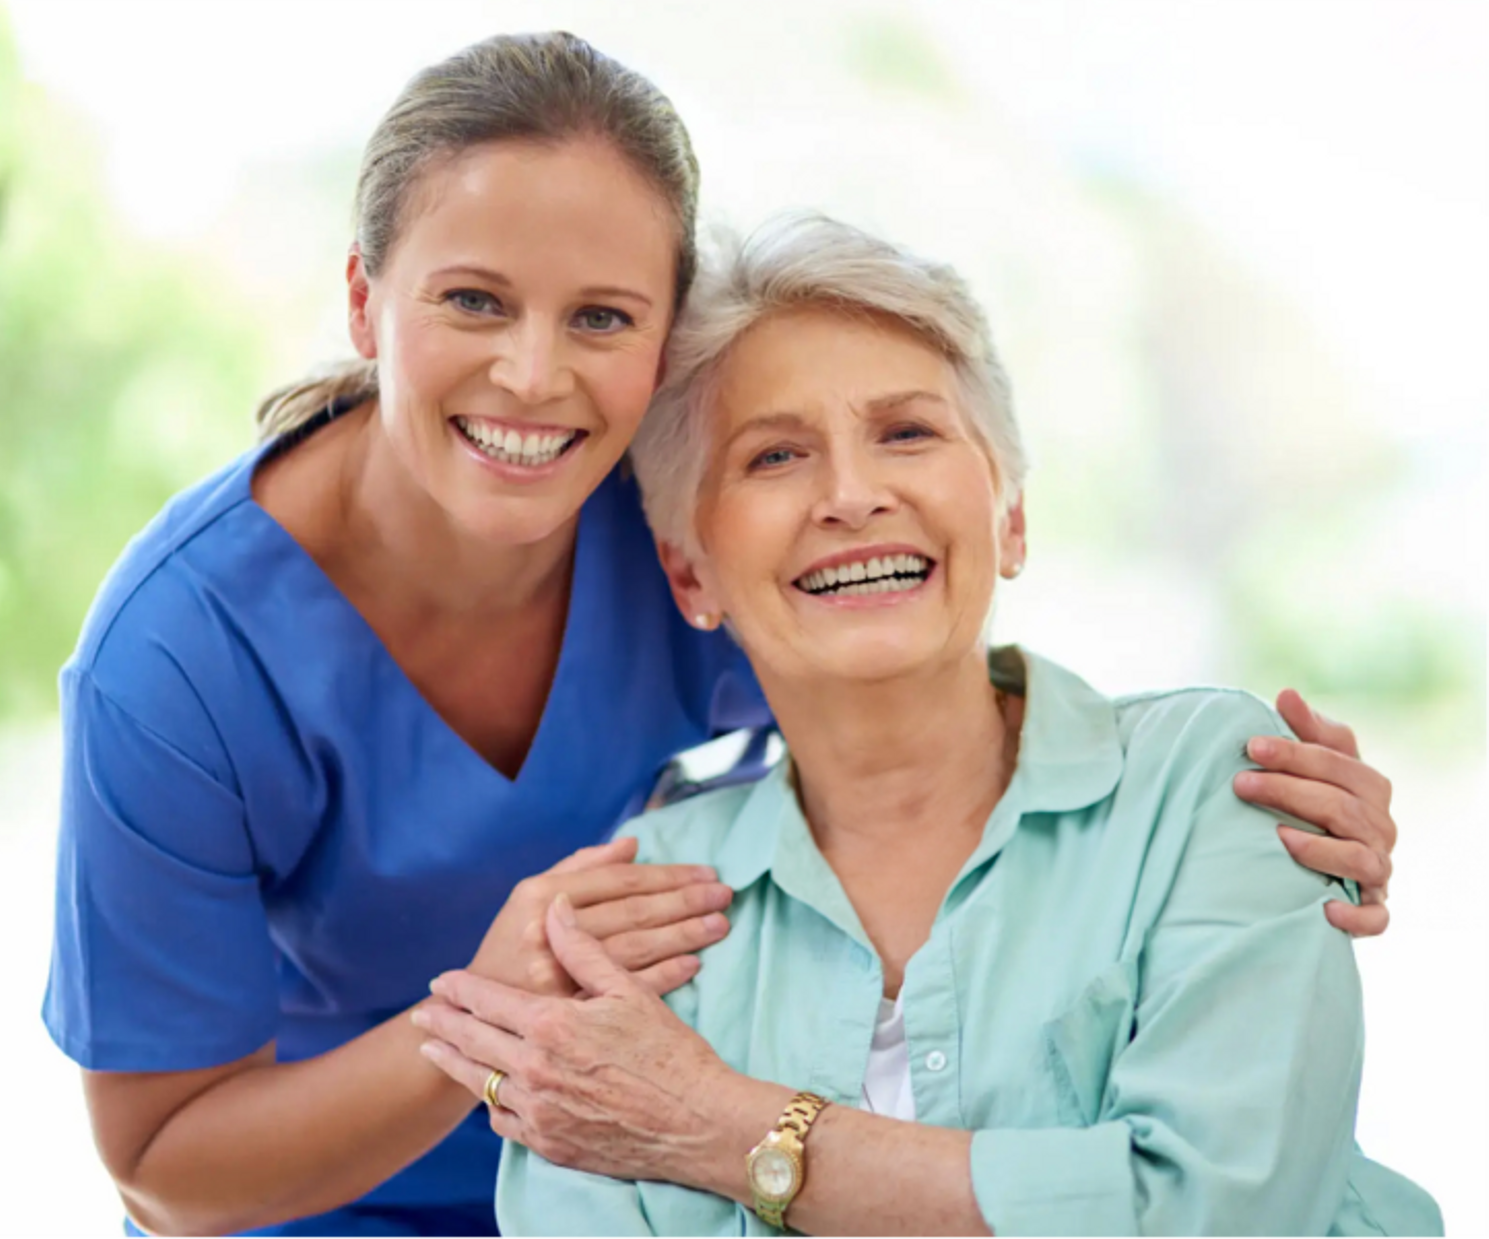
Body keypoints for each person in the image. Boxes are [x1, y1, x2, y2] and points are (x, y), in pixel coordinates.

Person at [44, 33, 1405, 1239]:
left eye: (601, 317)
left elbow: (920, 680)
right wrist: (502, 1020)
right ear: (361, 301)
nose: (534, 372)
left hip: (688, 1159)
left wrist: (1216, 805)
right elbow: (168, 1164)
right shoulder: (182, 654)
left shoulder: (686, 504)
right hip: (344, 1202)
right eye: (473, 299)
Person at [411, 213, 1440, 1238]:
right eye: (774, 456)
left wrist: (714, 1125)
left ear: (1012, 518)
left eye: (908, 432)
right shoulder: (639, 909)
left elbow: (1217, 1215)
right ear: (691, 573)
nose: (853, 496)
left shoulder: (1215, 788)